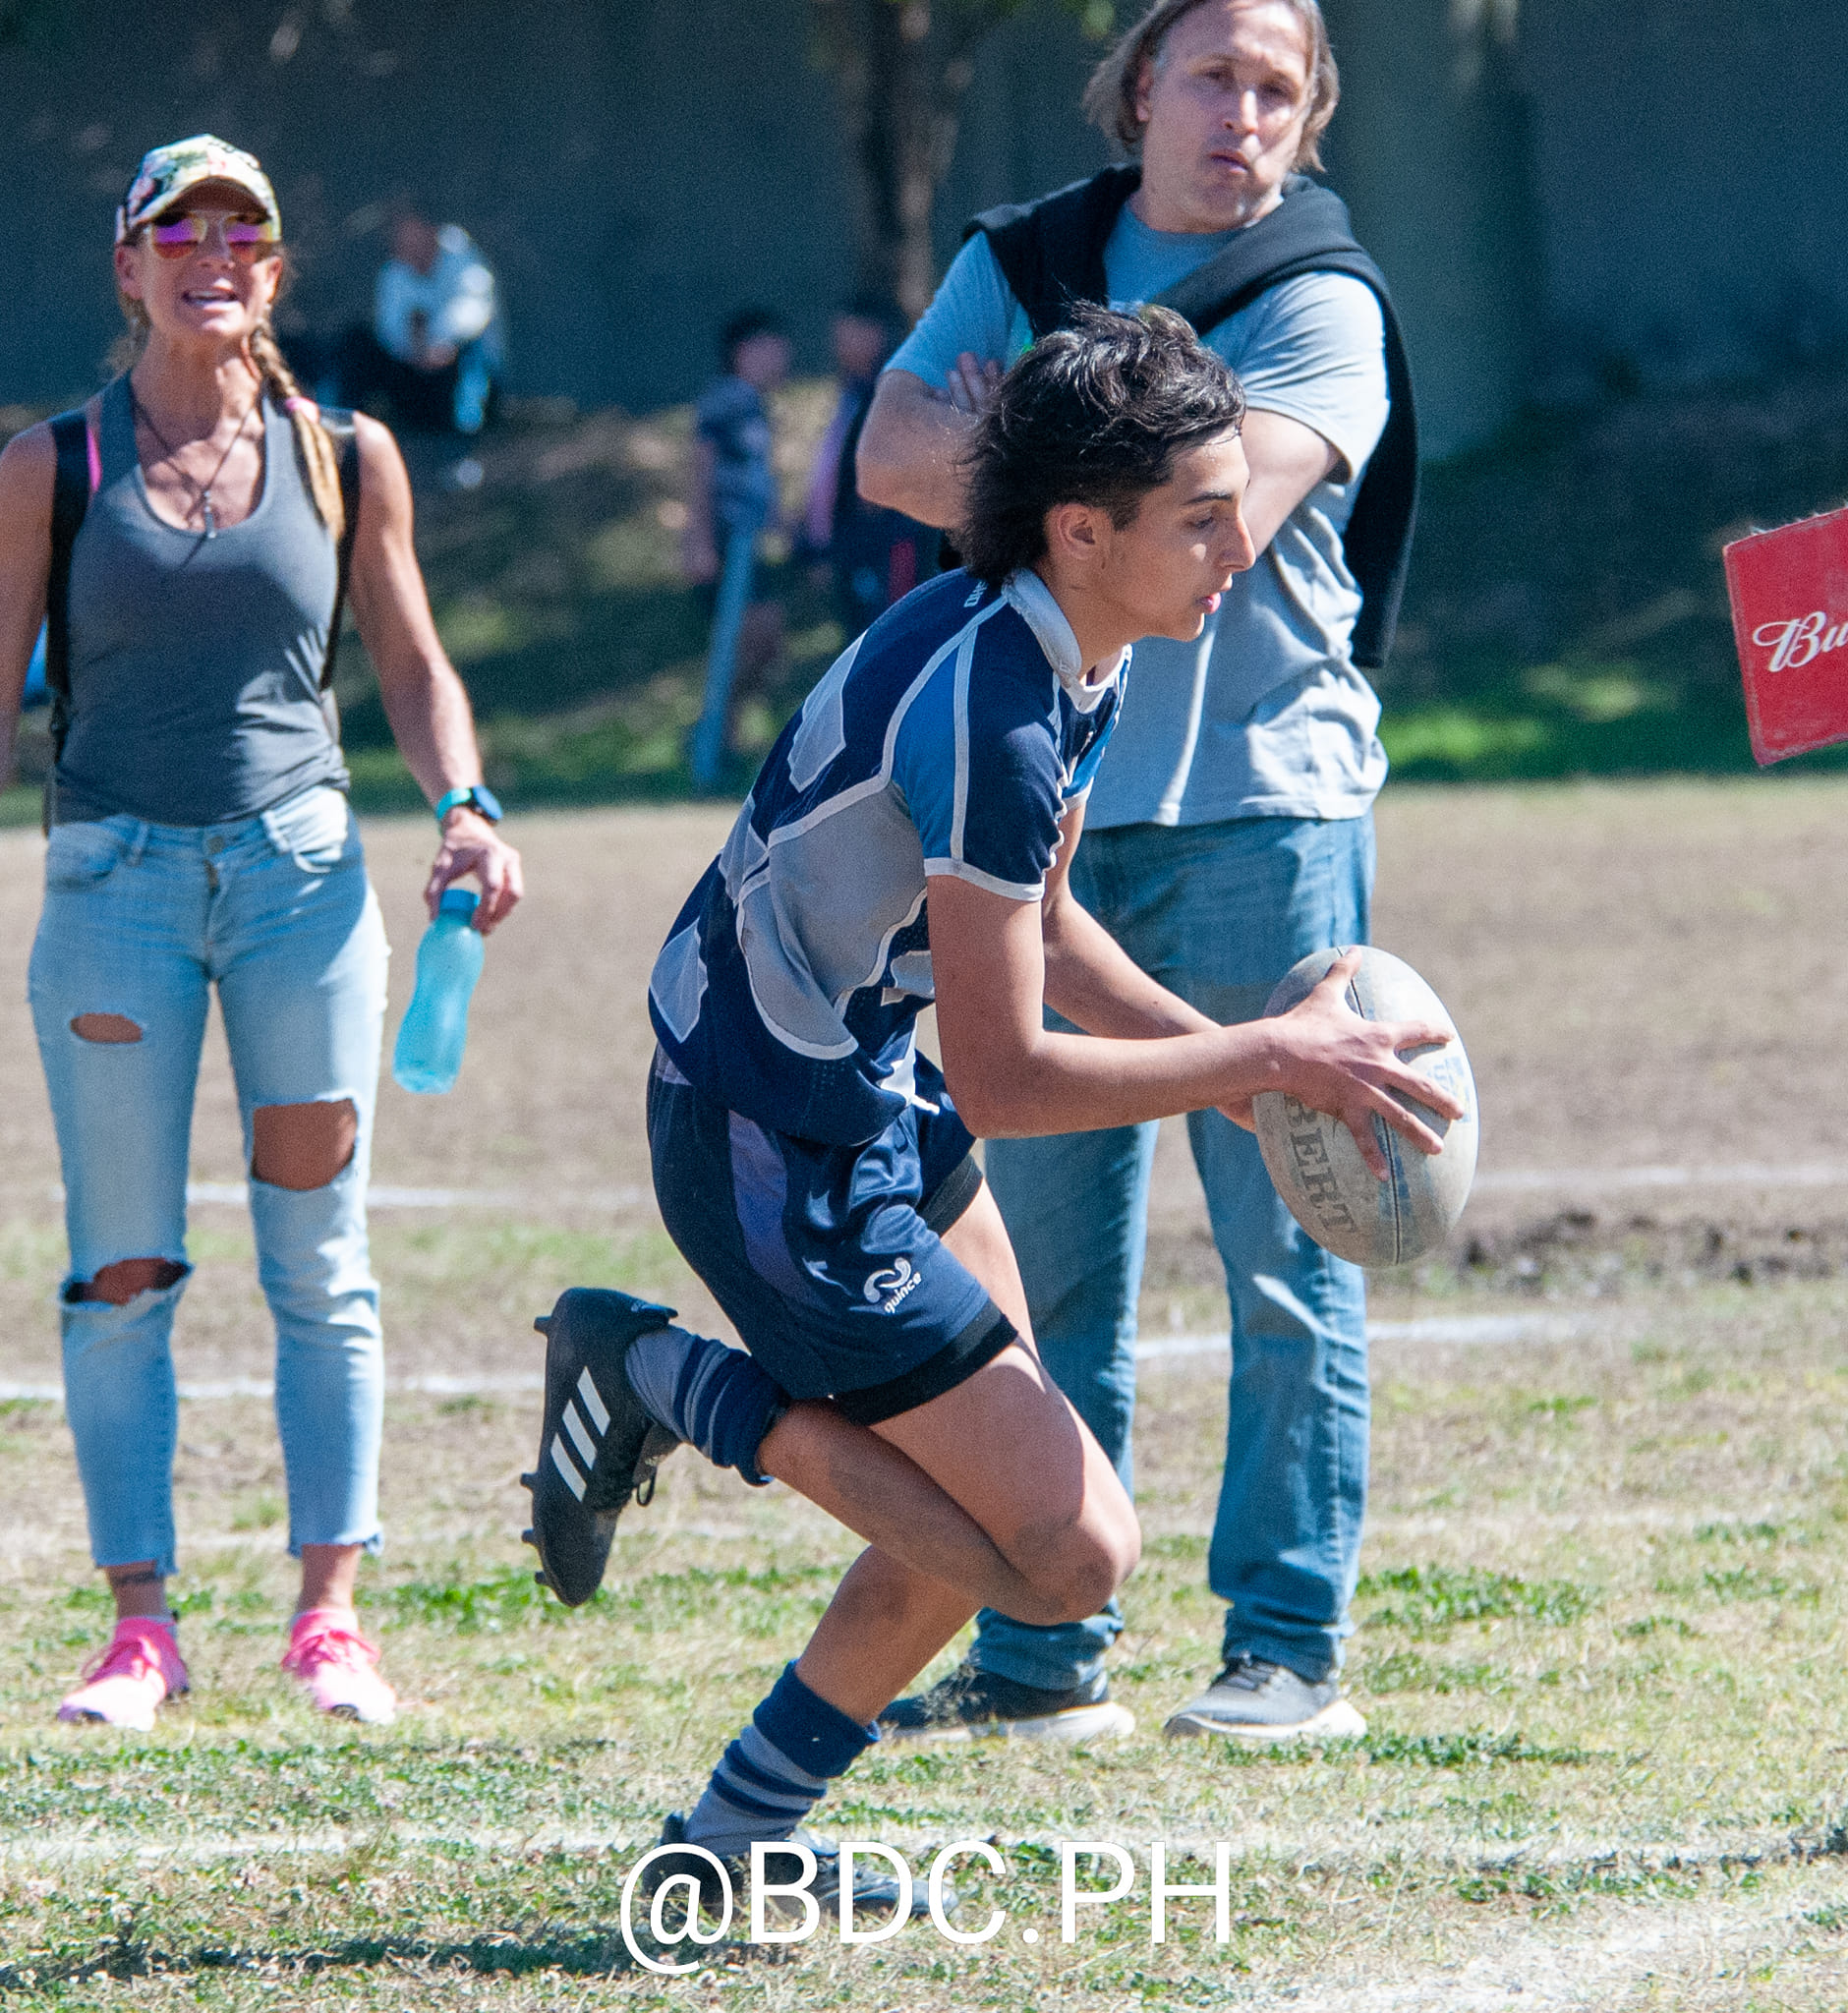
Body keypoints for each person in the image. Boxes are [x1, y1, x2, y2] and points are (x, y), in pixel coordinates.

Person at [520, 307, 1457, 1909]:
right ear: (1084, 528)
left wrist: (1232, 1067)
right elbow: (1012, 1075)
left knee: (1003, 1513)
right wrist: (1260, 1058)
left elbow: (1052, 921)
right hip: (773, 1135)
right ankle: (655, 1374)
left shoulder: (1057, 647)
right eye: (1205, 516)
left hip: (851, 1087)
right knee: (1059, 1552)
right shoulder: (997, 708)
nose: (1247, 538)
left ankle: (734, 1843)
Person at [856, 0, 1418, 1744]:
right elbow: (883, 456)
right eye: (1212, 72)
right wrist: (1065, 476)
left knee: (1287, 1234)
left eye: (1278, 85)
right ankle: (1042, 1656)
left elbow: (1220, 513)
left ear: (1308, 115)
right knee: (1054, 1258)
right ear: (1139, 88)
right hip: (1050, 799)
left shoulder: (1328, 298)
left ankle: (1284, 1641)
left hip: (1265, 806)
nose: (1241, 111)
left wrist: (1009, 444)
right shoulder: (1020, 251)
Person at [0, 135, 523, 1731]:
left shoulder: (347, 453)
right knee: (122, 1270)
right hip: (112, 896)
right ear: (130, 267)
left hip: (304, 886)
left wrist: (469, 798)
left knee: (322, 1261)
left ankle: (330, 1618)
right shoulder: (53, 463)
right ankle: (139, 1628)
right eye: (180, 231)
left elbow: (413, 657)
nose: (211, 254)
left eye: (244, 234)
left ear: (276, 274)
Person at [684, 309, 792, 791]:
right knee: (738, 644)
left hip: (750, 541)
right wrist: (699, 538)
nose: (782, 358)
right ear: (743, 352)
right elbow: (701, 467)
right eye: (771, 347)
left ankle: (719, 734)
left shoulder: (753, 404)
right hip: (728, 543)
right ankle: (709, 752)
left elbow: (754, 478)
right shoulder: (727, 400)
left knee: (765, 641)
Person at [796, 295, 937, 636]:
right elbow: (831, 470)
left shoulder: (893, 392)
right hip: (853, 544)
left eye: (850, 332)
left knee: (889, 638)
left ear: (876, 334)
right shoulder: (853, 392)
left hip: (886, 542)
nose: (839, 342)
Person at [330, 205, 504, 436]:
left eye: (404, 229)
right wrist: (416, 350)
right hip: (415, 371)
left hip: (466, 373)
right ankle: (342, 431)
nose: (397, 238)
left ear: (428, 228)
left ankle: (466, 438)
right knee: (357, 342)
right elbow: (389, 328)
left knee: (473, 350)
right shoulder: (395, 270)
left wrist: (439, 343)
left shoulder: (461, 255)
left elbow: (473, 312)